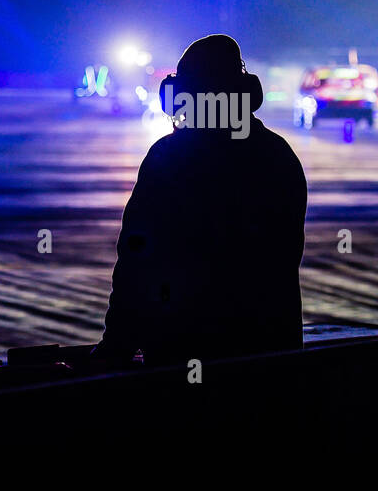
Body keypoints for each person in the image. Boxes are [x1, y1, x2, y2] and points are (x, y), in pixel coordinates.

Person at [93, 34, 307, 366]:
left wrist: (115, 348)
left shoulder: (169, 159)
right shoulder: (278, 156)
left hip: (181, 354)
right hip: (271, 355)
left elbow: (137, 267)